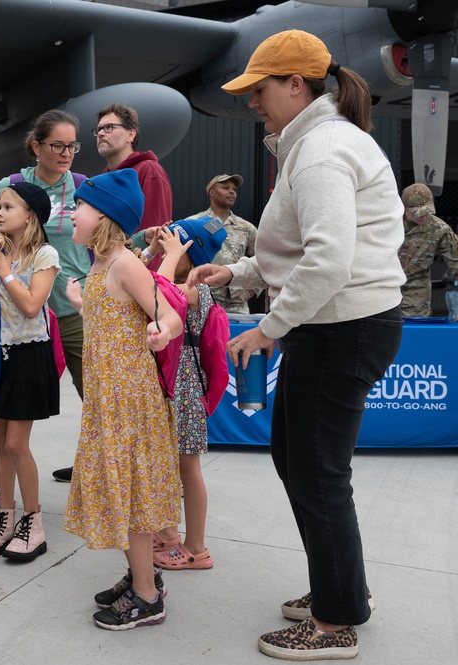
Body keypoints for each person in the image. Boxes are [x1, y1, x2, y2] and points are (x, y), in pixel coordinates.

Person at [189, 30, 405, 659]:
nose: (252, 101)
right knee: (299, 460)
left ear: (294, 85)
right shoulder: (311, 144)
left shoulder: (321, 150)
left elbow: (329, 260)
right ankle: (341, 589)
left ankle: (335, 623)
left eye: (258, 89)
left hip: (341, 328)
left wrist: (268, 327)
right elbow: (294, 252)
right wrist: (237, 274)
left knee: (316, 472)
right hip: (340, 324)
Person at [63, 168, 184, 632]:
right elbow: (111, 315)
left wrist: (161, 332)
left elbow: (169, 314)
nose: (73, 213)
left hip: (129, 401)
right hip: (107, 400)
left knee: (131, 494)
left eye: (80, 206)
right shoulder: (98, 265)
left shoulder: (125, 263)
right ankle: (142, 574)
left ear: (106, 216)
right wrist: (79, 302)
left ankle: (148, 598)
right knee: (120, 489)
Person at [0, 110, 92, 516]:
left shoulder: (82, 187)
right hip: (17, 313)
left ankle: (101, 479)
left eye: (72, 145)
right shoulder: (12, 187)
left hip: (71, 308)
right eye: (57, 145)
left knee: (95, 397)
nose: (66, 153)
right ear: (37, 146)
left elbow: (101, 236)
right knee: (7, 406)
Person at [0, 181, 61, 563]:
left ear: (30, 214)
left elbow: (30, 306)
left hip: (29, 356)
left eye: (8, 207)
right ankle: (5, 519)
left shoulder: (45, 254)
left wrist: (6, 270)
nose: (0, 213)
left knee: (15, 444)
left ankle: (33, 522)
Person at [144, 219, 226, 571]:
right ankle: (168, 534)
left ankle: (197, 547)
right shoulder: (179, 282)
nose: (166, 249)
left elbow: (155, 292)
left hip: (185, 391)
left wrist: (166, 254)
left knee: (188, 467)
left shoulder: (195, 292)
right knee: (167, 465)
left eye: (175, 246)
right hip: (170, 388)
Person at [93, 103, 172, 232]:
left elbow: (154, 234)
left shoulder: (149, 171)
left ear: (130, 135)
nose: (101, 133)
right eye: (99, 129)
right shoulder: (101, 179)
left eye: (108, 127)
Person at [185, 175, 258, 314]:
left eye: (234, 189)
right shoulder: (193, 224)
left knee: (236, 336)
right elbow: (180, 260)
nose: (232, 192)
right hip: (202, 300)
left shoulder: (247, 228)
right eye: (225, 188)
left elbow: (263, 260)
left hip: (236, 305)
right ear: (212, 192)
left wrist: (251, 291)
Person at [397, 183, 458, 317]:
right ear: (405, 208)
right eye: (417, 213)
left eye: (427, 211)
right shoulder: (389, 223)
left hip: (415, 294)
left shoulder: (439, 230)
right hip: (384, 286)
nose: (422, 217)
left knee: (414, 332)